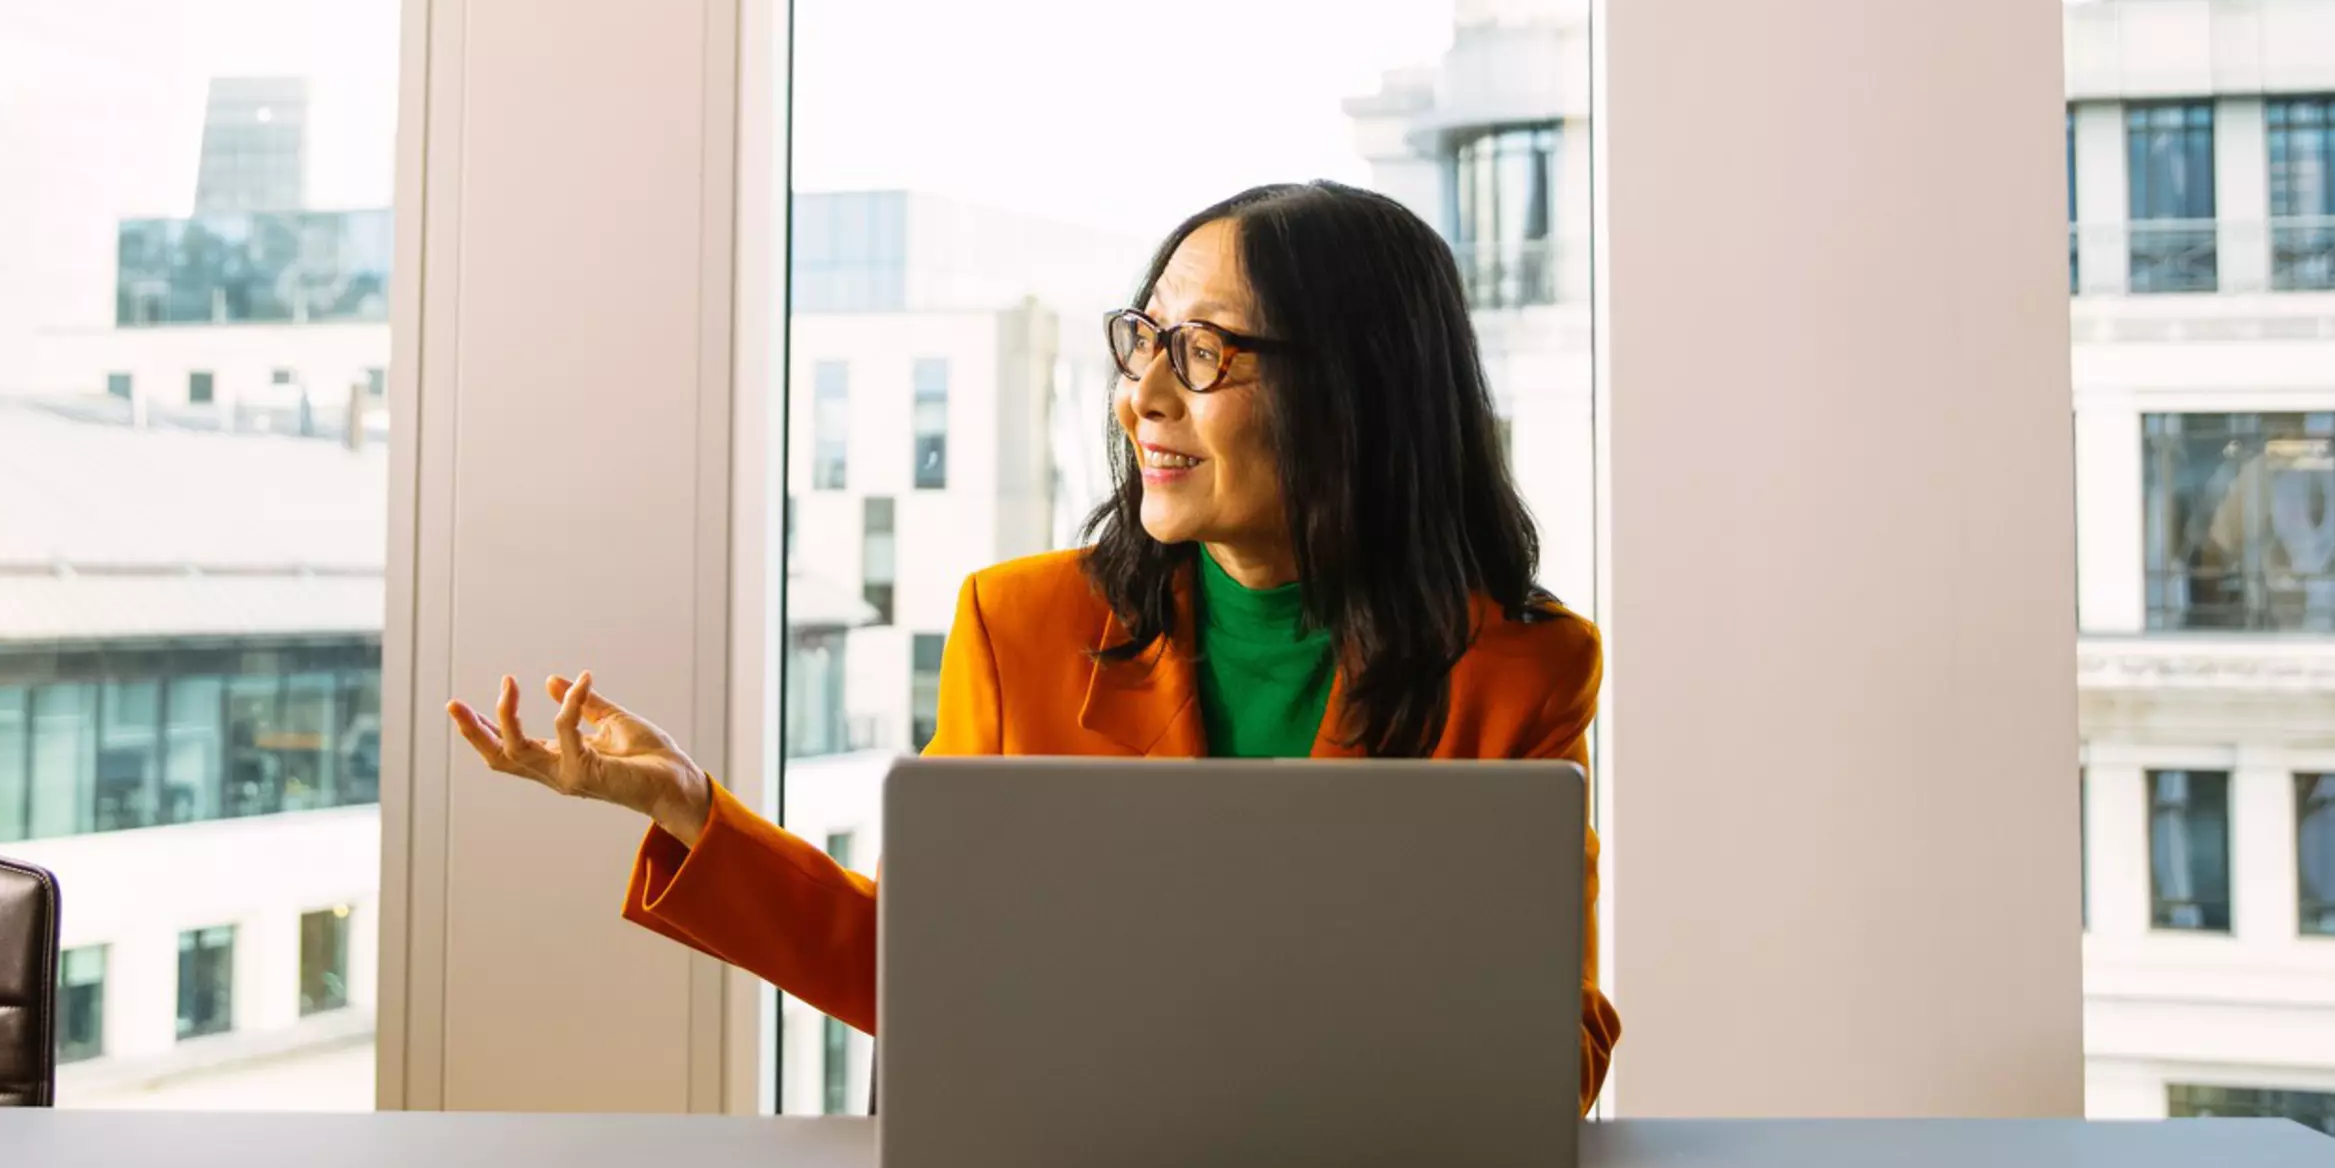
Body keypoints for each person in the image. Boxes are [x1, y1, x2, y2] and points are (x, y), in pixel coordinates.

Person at [447, 179, 1620, 1105]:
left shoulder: (1522, 669)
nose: (1142, 395)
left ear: (1359, 395)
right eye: (1142, 339)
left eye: (1201, 351)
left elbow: (1547, 1062)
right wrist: (693, 804)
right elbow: (922, 970)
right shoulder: (1023, 627)